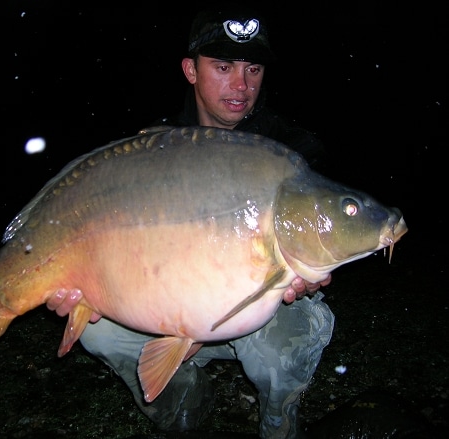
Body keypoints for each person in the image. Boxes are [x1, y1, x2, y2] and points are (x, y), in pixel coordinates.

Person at [47, 6, 335, 438]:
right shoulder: (155, 151)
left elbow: (319, 241)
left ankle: (278, 421)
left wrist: (309, 274)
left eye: (253, 69)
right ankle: (185, 401)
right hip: (171, 302)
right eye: (223, 67)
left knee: (280, 350)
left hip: (262, 317)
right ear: (191, 70)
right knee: (100, 331)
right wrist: (76, 282)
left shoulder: (291, 151)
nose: (241, 85)